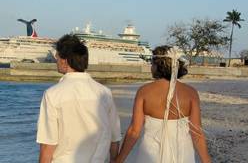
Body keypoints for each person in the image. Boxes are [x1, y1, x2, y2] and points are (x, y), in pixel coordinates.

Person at [115, 46, 211, 163]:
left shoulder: (144, 91)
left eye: (152, 63)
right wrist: (206, 160)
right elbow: (197, 132)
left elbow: (134, 130)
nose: (151, 67)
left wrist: (119, 159)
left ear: (157, 66)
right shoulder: (190, 93)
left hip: (150, 154)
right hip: (182, 153)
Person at [36, 34, 121, 163]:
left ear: (65, 61)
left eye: (57, 56)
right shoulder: (105, 93)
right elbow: (114, 139)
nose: (56, 60)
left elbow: (48, 145)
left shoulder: (52, 94)